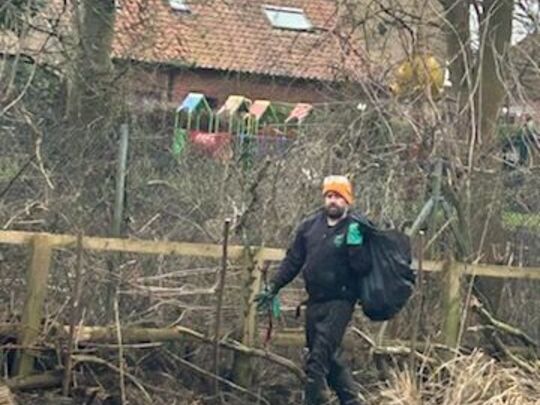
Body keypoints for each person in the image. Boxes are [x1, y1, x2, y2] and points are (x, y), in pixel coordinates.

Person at [255, 175, 371, 405]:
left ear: (347, 200)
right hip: (314, 301)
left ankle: (314, 401)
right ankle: (352, 401)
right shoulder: (309, 227)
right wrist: (274, 287)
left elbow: (363, 268)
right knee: (331, 360)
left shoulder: (355, 227)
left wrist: (356, 246)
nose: (333, 201)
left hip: (341, 301)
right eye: (329, 196)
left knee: (317, 360)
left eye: (338, 196)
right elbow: (293, 261)